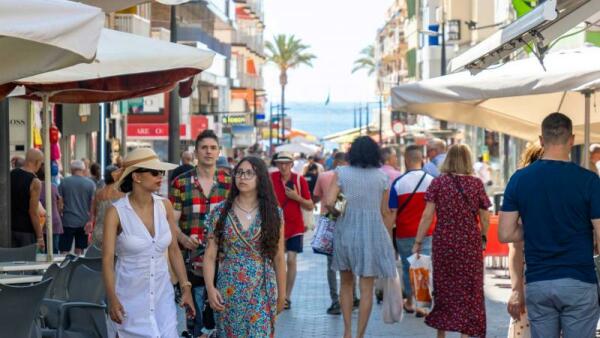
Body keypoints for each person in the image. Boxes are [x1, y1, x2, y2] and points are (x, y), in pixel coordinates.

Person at [499, 112, 600, 338]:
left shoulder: (519, 179)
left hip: (539, 281)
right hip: (579, 280)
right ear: (572, 139)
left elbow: (505, 233)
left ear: (542, 139)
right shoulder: (589, 181)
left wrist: (535, 227)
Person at [102, 147, 196, 338]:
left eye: (161, 172)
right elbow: (107, 260)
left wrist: (186, 287)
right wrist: (112, 299)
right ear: (136, 177)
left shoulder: (165, 206)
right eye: (154, 172)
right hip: (129, 301)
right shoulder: (116, 212)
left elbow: (174, 251)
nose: (160, 176)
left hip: (163, 297)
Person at [413, 144, 491, 338]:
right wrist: (483, 237)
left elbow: (427, 216)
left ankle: (442, 335)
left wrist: (418, 241)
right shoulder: (476, 184)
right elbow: (485, 217)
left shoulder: (438, 183)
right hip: (469, 243)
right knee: (470, 291)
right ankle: (465, 335)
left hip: (444, 243)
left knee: (444, 290)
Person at [203, 156, 286, 337]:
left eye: (249, 173)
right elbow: (209, 256)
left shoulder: (273, 213)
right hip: (229, 289)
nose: (242, 177)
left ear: (260, 178)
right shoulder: (220, 212)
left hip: (262, 288)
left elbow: (279, 257)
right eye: (239, 172)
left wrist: (282, 295)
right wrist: (210, 288)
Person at [323, 136, 397, 338]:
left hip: (346, 231)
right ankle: (359, 335)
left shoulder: (342, 173)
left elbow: (329, 202)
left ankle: (346, 331)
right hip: (373, 234)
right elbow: (384, 212)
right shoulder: (382, 177)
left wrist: (344, 206)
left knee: (346, 283)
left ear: (352, 153)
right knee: (367, 288)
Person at [170, 129, 232, 337]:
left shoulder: (229, 182)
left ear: (218, 152)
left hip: (224, 264)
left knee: (223, 320)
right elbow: (171, 222)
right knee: (196, 322)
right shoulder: (181, 183)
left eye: (213, 148)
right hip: (192, 264)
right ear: (196, 152)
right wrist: (183, 238)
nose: (208, 152)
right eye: (204, 148)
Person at [387, 145, 435, 316]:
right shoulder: (432, 180)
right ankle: (422, 304)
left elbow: (392, 212)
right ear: (422, 159)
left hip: (404, 232)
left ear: (406, 160)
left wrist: (386, 233)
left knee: (409, 267)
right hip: (428, 232)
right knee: (423, 265)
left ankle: (410, 301)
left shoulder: (398, 183)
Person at [312, 152, 359, 315]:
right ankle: (353, 297)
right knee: (351, 263)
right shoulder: (355, 177)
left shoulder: (324, 176)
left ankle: (335, 301)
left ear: (335, 163)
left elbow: (316, 198)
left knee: (331, 265)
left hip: (330, 221)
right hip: (350, 223)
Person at [505, 142, 544, 337]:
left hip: (531, 280)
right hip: (536, 279)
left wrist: (517, 290)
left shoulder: (521, 187)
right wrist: (517, 290)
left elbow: (515, 248)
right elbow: (515, 248)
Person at [270, 151, 314, 310]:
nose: (283, 166)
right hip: (275, 226)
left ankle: (287, 296)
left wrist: (296, 197)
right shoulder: (271, 178)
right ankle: (278, 294)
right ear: (276, 164)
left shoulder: (299, 180)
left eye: (286, 163)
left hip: (295, 226)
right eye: (280, 163)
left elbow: (310, 205)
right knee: (277, 261)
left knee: (291, 260)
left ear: (291, 164)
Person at [58, 160, 96, 255]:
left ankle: (64, 268)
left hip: (67, 221)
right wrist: (91, 220)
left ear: (71, 169)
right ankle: (77, 268)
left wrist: (60, 214)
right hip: (84, 222)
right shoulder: (90, 184)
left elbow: (59, 202)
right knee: (80, 250)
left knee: (64, 250)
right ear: (83, 169)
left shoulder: (64, 182)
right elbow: (93, 204)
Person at [11, 148, 44, 248]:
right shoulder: (35, 182)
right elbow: (33, 212)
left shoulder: (11, 174)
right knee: (27, 262)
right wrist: (40, 237)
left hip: (9, 227)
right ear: (37, 162)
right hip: (26, 230)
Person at [90, 165, 125, 248]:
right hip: (115, 233)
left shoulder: (98, 193)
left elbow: (94, 212)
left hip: (98, 232)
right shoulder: (122, 194)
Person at [36, 166, 63, 254]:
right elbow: (60, 203)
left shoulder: (35, 187)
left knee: (41, 251)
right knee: (54, 251)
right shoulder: (53, 186)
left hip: (40, 222)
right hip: (54, 220)